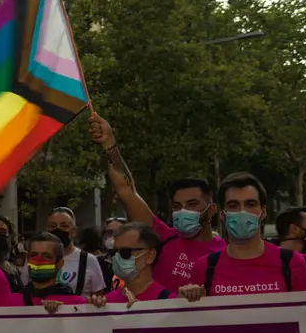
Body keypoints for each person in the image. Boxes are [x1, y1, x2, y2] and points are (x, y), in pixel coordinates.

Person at [89, 113, 225, 291]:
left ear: (212, 209)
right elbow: (126, 191)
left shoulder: (226, 253)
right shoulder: (162, 238)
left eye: (192, 204)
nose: (183, 211)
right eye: (177, 206)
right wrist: (109, 144)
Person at [180, 172, 306, 301]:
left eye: (251, 204)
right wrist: (185, 299)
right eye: (233, 205)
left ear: (263, 211)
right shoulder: (204, 267)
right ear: (222, 215)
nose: (242, 211)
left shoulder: (292, 263)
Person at [89, 222, 175, 308]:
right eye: (114, 252)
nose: (117, 257)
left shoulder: (172, 303)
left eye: (125, 252)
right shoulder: (106, 303)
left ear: (150, 256)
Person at [13, 233, 87, 312]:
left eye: (46, 256)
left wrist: (64, 311)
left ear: (60, 263)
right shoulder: (12, 301)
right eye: (33, 255)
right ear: (27, 260)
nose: (38, 260)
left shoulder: (79, 304)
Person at [47, 207, 106, 296]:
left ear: (74, 231)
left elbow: (99, 296)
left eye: (64, 226)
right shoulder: (40, 258)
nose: (58, 229)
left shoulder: (88, 260)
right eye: (53, 226)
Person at [99, 217, 126, 291]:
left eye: (118, 232)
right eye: (109, 232)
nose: (113, 236)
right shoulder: (96, 263)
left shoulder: (135, 262)